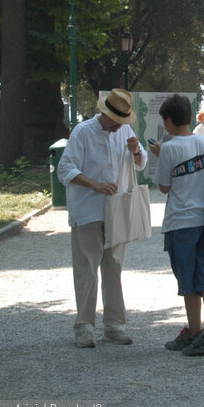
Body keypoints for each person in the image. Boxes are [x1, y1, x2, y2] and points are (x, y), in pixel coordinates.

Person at [55, 88, 146, 348]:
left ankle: (114, 324)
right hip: (89, 209)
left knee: (114, 266)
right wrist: (93, 184)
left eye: (123, 121)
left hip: (117, 208)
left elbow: (140, 163)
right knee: (87, 269)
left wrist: (137, 151)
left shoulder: (125, 132)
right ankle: (84, 326)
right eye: (117, 120)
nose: (120, 126)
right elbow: (65, 168)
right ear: (105, 114)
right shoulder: (83, 131)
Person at [155, 94, 204, 356]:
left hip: (181, 221)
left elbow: (164, 186)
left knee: (187, 279)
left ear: (168, 120)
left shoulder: (168, 148)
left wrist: (160, 155)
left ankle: (194, 330)